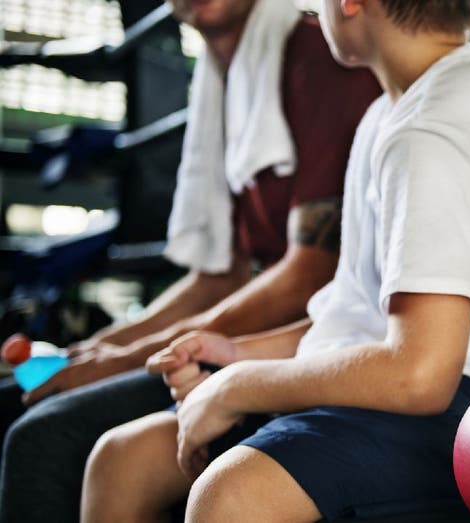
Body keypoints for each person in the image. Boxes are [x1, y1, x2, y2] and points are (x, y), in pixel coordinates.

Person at [82, 0, 470, 521]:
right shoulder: (392, 112)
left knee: (234, 496)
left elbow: (419, 375)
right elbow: (361, 321)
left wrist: (236, 386)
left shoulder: (434, 129)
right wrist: (237, 354)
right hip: (430, 386)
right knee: (121, 460)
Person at [0, 0, 380, 520]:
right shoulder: (221, 84)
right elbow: (214, 278)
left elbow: (307, 274)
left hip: (311, 346)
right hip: (247, 344)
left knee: (42, 437)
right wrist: (104, 346)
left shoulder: (318, 56)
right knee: (14, 398)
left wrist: (131, 357)